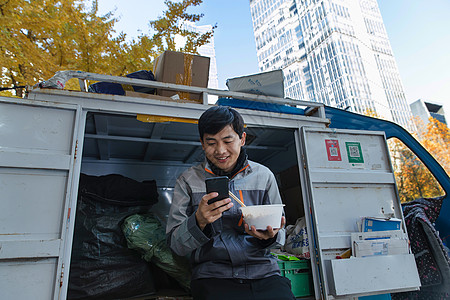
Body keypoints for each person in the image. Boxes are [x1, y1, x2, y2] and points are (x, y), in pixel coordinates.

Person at [166, 106, 295, 300]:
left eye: (228, 141)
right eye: (211, 142)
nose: (220, 150)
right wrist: (199, 221)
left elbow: (280, 236)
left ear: (242, 139)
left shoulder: (264, 176)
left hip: (263, 272)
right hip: (212, 276)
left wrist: (269, 236)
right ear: (202, 143)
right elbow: (176, 246)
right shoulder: (188, 181)